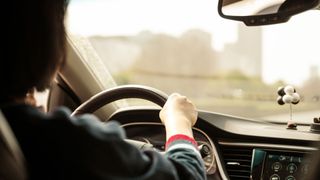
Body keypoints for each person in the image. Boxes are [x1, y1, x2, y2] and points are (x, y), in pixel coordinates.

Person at [0, 0, 206, 180]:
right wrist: (179, 120)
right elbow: (186, 174)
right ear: (40, 38)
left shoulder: (14, 132)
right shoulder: (60, 141)